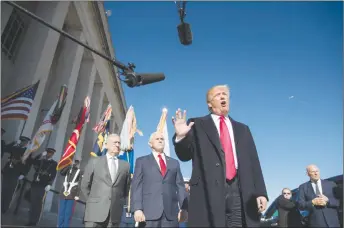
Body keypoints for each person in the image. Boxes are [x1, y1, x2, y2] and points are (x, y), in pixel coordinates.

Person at [172, 84, 268, 227]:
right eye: (217, 95)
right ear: (209, 104)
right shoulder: (196, 124)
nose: (222, 96)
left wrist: (261, 192)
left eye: (225, 94)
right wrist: (180, 137)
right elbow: (184, 155)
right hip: (208, 191)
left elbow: (254, 162)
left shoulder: (243, 129)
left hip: (239, 191)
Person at [131, 131, 188, 228]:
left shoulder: (174, 163)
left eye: (162, 139)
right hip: (148, 214)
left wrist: (184, 209)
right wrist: (137, 209)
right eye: (157, 139)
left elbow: (180, 187)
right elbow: (136, 186)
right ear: (150, 144)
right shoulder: (141, 161)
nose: (160, 140)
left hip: (171, 215)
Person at [81, 134, 131, 227]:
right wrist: (93, 201)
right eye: (114, 142)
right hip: (94, 213)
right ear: (106, 144)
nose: (117, 145)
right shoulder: (94, 161)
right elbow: (85, 184)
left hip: (114, 215)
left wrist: (118, 203)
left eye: (119, 143)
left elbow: (125, 189)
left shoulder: (125, 165)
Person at [26, 148, 58, 226]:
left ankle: (35, 221)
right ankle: (30, 220)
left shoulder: (54, 163)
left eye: (50, 153)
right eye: (47, 152)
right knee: (33, 203)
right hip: (35, 184)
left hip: (43, 186)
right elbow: (30, 161)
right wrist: (40, 155)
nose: (48, 154)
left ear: (52, 154)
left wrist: (50, 184)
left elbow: (53, 175)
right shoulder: (40, 160)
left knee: (39, 204)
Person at [1, 136, 31, 214]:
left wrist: (24, 174)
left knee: (10, 191)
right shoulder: (15, 147)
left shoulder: (27, 152)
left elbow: (28, 165)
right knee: (3, 189)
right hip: (8, 171)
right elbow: (4, 148)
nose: (22, 143)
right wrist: (13, 143)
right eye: (21, 141)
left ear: (27, 143)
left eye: (24, 142)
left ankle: (4, 208)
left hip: (16, 173)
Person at [58, 159, 82, 228]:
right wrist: (68, 165)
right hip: (64, 193)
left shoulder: (80, 171)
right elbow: (61, 173)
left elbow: (80, 184)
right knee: (61, 212)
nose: (75, 164)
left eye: (77, 162)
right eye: (74, 162)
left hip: (72, 194)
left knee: (68, 213)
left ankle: (66, 226)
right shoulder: (68, 169)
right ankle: (60, 226)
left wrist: (78, 194)